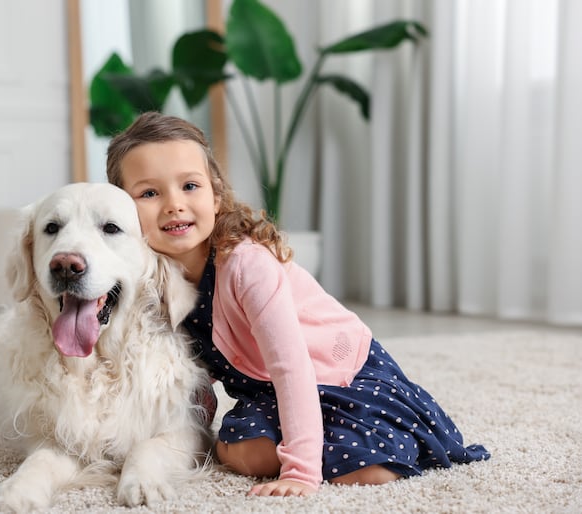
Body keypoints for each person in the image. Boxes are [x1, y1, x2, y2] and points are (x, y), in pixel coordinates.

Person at [105, 111, 490, 497]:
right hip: (268, 391)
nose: (174, 205)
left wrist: (301, 471)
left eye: (190, 186)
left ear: (216, 195)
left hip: (337, 372)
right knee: (238, 453)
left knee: (366, 471)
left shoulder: (246, 265)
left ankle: (371, 441)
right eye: (150, 193)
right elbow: (189, 372)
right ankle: (318, 438)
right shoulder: (149, 278)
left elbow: (292, 366)